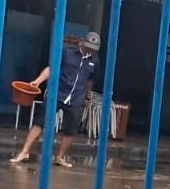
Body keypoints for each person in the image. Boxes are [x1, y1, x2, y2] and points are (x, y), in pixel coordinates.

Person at [10, 31, 102, 168]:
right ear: (82, 41)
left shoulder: (94, 60)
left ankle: (59, 157)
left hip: (76, 97)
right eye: (88, 46)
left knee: (71, 129)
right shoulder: (67, 52)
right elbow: (52, 69)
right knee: (40, 122)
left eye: (93, 49)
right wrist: (38, 81)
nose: (90, 50)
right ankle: (24, 151)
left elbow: (90, 80)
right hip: (58, 93)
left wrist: (87, 97)